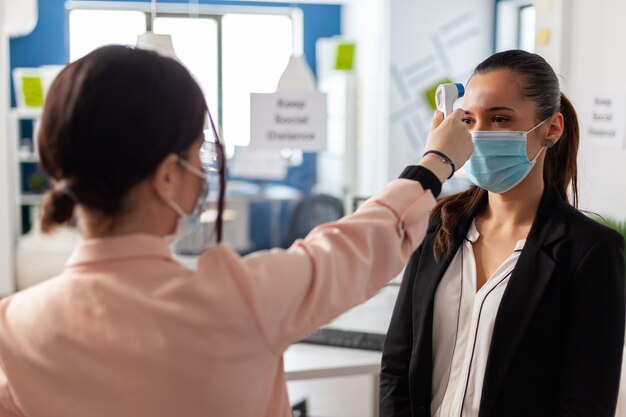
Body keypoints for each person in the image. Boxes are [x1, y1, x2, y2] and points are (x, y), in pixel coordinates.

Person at [0, 45, 472, 417]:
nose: (204, 173)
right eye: (198, 152)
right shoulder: (239, 301)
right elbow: (357, 244)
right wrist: (436, 163)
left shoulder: (14, 327)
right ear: (167, 177)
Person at [380, 49, 626, 417]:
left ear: (551, 128)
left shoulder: (591, 251)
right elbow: (397, 368)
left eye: (499, 119)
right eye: (468, 120)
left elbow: (585, 403)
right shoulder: (437, 224)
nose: (478, 134)